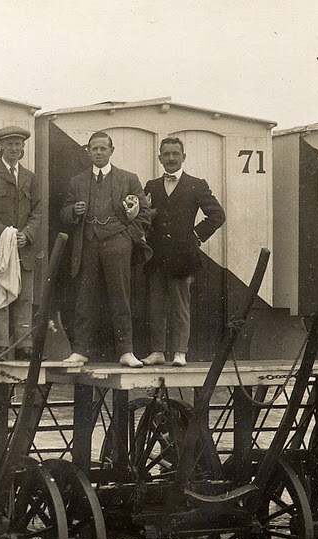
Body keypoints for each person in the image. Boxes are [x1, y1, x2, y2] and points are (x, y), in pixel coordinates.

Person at [60, 131, 152, 368]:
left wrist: (127, 238)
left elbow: (144, 213)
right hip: (88, 243)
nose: (98, 152)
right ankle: (81, 350)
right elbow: (64, 212)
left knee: (120, 297)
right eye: (94, 148)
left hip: (117, 244)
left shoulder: (128, 179)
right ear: (88, 151)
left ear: (112, 151)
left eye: (103, 148)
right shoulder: (77, 181)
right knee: (85, 298)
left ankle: (126, 351)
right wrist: (74, 211)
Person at [141, 137, 226, 367]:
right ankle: (157, 351)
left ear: (183, 157)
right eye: (166, 154)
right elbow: (144, 218)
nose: (170, 158)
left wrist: (195, 237)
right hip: (156, 256)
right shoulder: (150, 186)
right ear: (159, 157)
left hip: (182, 256)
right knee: (155, 305)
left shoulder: (196, 184)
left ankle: (180, 352)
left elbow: (217, 215)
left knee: (180, 305)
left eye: (175, 154)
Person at [0, 126, 42, 361]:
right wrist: (6, 235)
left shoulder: (30, 178)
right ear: (1, 147)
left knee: (24, 295)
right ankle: (1, 346)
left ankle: (24, 345)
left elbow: (37, 211)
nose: (14, 149)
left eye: (18, 145)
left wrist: (28, 234)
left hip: (24, 247)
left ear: (23, 147)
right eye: (9, 144)